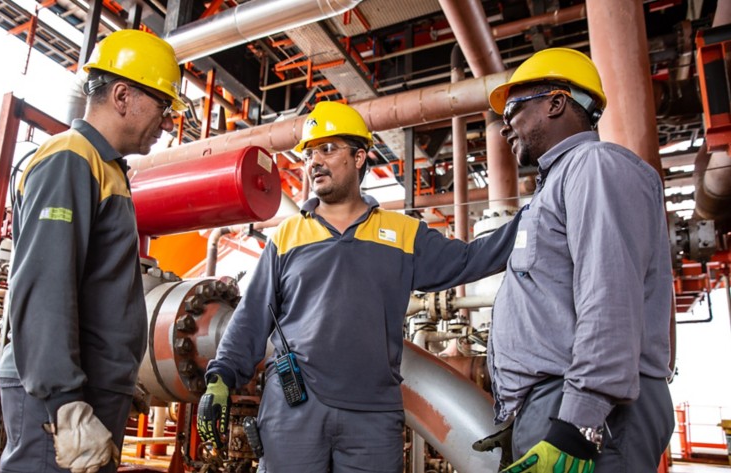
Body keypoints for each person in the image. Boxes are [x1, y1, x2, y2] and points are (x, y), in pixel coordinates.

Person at [196, 101, 522, 472]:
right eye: (310, 153)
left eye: (328, 149)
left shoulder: (402, 234)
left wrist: (533, 218)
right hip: (295, 408)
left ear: (360, 156)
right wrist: (221, 377)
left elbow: (470, 259)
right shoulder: (288, 235)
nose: (315, 161)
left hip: (372, 415)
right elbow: (251, 315)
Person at [0, 29, 185, 473]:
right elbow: (45, 289)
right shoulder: (70, 159)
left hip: (90, 391)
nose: (168, 122)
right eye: (163, 106)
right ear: (122, 96)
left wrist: (118, 381)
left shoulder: (107, 170)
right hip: (61, 403)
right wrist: (66, 403)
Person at [484, 47, 674, 472]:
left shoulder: (596, 165)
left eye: (513, 109)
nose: (503, 127)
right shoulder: (555, 188)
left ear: (557, 102)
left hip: (590, 414)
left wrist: (577, 424)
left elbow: (610, 299)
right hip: (557, 404)